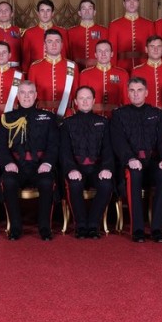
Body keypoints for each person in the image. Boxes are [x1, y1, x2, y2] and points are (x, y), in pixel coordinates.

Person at [110, 77, 162, 242]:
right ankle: (137, 229)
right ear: (128, 93)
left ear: (146, 93)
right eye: (132, 90)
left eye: (139, 90)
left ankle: (157, 230)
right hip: (131, 163)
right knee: (134, 174)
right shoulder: (118, 115)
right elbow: (118, 142)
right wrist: (130, 158)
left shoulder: (157, 114)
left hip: (153, 162)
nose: (136, 94)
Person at [0, 80, 60, 241]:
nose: (26, 96)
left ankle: (45, 227)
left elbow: (54, 144)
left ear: (36, 95)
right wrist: (8, 163)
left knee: (47, 183)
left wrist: (47, 163)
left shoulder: (48, 117)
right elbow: (1, 145)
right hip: (16, 165)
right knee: (8, 182)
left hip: (40, 165)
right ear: (18, 96)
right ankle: (15, 227)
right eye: (23, 93)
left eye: (30, 92)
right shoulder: (7, 118)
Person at [59, 87, 114, 239]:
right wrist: (71, 169)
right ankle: (81, 224)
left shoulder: (103, 122)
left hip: (97, 169)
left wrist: (106, 168)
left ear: (94, 101)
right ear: (75, 102)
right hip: (76, 168)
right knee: (75, 184)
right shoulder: (67, 124)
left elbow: (108, 149)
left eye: (88, 98)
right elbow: (64, 151)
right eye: (81, 98)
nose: (85, 101)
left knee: (106, 183)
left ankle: (94, 224)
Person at [27, 29, 79, 116]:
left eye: (57, 41)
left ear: (62, 45)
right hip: (42, 114)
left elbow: (76, 94)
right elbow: (31, 95)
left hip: (67, 114)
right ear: (44, 45)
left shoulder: (72, 66)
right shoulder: (34, 67)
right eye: (50, 41)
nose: (54, 45)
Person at [78, 40, 129, 118]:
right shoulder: (85, 74)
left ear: (112, 54)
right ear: (95, 54)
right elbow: (81, 101)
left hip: (116, 118)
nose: (103, 54)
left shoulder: (123, 74)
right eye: (100, 51)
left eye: (106, 51)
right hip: (92, 118)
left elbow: (127, 100)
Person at [130, 36, 162, 109]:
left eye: (159, 46)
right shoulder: (137, 71)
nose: (155, 49)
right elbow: (132, 98)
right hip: (143, 115)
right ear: (146, 49)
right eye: (152, 46)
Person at [108, 0, 154, 72]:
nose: (132, 3)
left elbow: (153, 48)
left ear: (138, 3)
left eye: (134, 0)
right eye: (128, 0)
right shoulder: (115, 24)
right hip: (122, 67)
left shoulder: (148, 24)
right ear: (124, 4)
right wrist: (113, 69)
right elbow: (112, 49)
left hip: (144, 66)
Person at [22, 0, 67, 67]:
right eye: (42, 10)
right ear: (38, 13)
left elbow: (66, 55)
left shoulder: (63, 32)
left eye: (48, 10)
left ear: (52, 13)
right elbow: (26, 59)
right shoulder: (29, 33)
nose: (45, 14)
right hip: (36, 72)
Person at [67, 0, 108, 69]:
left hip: (97, 70)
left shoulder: (104, 31)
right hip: (77, 70)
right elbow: (68, 55)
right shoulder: (71, 32)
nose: (87, 11)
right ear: (79, 12)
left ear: (94, 12)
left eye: (90, 8)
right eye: (84, 9)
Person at [0, 1, 23, 68]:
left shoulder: (20, 32)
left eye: (6, 10)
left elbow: (24, 54)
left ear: (12, 13)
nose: (3, 12)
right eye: (0, 10)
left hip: (15, 71)